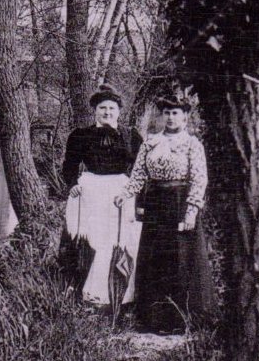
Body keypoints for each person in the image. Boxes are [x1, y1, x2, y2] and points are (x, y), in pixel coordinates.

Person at [114, 92, 215, 334]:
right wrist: (125, 194)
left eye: (175, 113)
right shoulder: (150, 142)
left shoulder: (192, 144)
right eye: (166, 113)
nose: (170, 118)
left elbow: (199, 180)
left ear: (185, 116)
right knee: (155, 259)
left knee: (180, 258)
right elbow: (139, 175)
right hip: (156, 205)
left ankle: (181, 320)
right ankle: (154, 319)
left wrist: (191, 211)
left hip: (180, 203)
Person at [61, 85, 142, 306]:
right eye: (102, 108)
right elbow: (69, 166)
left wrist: (134, 192)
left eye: (111, 108)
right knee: (93, 238)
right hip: (91, 191)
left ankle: (121, 293)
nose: (107, 112)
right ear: (95, 111)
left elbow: (141, 168)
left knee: (120, 239)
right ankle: (87, 292)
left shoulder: (131, 136)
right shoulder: (81, 136)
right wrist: (72, 185)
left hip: (120, 191)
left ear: (119, 111)